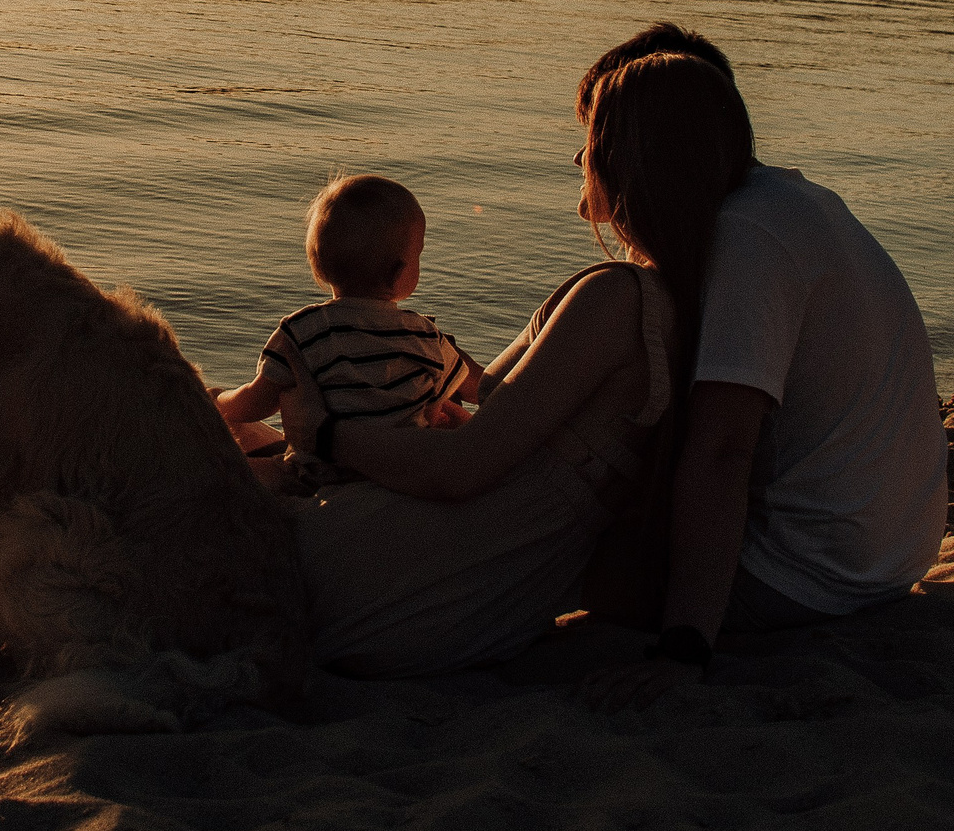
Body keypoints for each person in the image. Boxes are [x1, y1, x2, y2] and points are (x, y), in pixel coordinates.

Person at [279, 54, 739, 676]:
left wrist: (323, 433)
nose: (579, 161)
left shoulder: (618, 298)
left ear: (633, 160)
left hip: (427, 575)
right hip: (487, 597)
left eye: (590, 140)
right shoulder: (684, 302)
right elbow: (497, 437)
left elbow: (461, 472)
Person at [579, 24, 948, 708]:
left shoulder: (748, 239)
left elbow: (723, 450)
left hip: (813, 571)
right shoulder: (791, 204)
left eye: (598, 142)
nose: (587, 161)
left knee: (547, 555)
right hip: (889, 553)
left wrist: (685, 648)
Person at [212, 176, 481, 491]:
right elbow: (482, 389)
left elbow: (255, 404)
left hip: (314, 479)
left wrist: (217, 402)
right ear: (399, 272)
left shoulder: (301, 332)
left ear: (320, 265)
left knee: (220, 469)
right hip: (397, 479)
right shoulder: (426, 337)